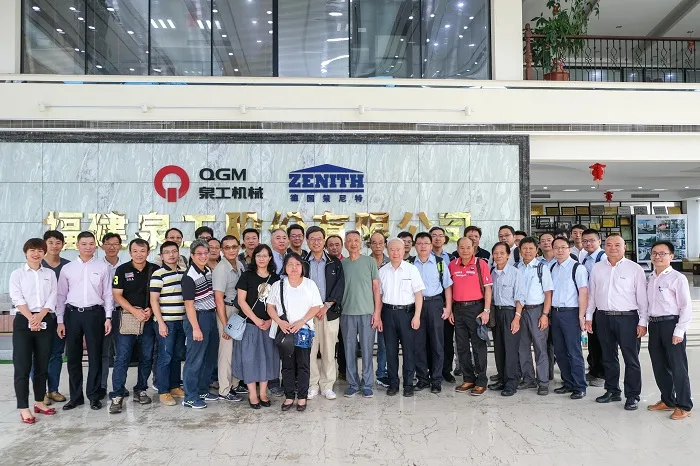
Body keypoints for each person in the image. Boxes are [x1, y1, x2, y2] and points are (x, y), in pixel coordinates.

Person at [585, 233, 647, 411]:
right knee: (608, 357)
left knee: (631, 358)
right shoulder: (597, 268)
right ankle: (612, 390)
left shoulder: (635, 269)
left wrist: (643, 321)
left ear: (624, 247)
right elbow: (592, 296)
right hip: (603, 317)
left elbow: (642, 299)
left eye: (617, 245)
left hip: (627, 318)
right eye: (609, 244)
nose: (613, 248)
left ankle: (633, 395)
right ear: (604, 246)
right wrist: (589, 317)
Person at [56, 231, 114, 411]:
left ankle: (94, 396)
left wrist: (108, 317)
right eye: (84, 244)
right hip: (72, 314)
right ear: (77, 245)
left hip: (95, 314)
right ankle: (76, 397)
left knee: (95, 356)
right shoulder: (68, 268)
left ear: (95, 246)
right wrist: (60, 320)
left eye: (91, 244)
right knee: (73, 357)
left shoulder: (102, 267)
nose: (88, 247)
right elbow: (60, 295)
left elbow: (107, 294)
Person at [10, 238, 58, 424]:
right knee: (22, 366)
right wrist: (31, 318)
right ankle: (24, 407)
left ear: (44, 253)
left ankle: (39, 402)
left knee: (42, 365)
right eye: (32, 250)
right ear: (25, 252)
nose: (36, 253)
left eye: (39, 250)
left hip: (44, 320)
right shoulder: (18, 274)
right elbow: (17, 297)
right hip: (24, 321)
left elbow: (53, 296)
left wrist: (40, 316)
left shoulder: (50, 274)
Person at [268, 253, 324, 412]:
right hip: (285, 331)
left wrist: (302, 321)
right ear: (285, 267)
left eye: (297, 264)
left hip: (304, 331)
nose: (294, 268)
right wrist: (279, 321)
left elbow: (316, 306)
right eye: (290, 264)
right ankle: (289, 396)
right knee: (287, 366)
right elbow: (270, 307)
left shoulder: (309, 284)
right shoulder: (278, 285)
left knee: (303, 365)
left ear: (302, 267)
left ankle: (302, 397)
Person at [109, 239, 159, 414]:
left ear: (148, 251)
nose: (139, 254)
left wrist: (151, 310)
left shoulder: (155, 270)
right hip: (127, 320)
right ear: (130, 252)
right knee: (122, 357)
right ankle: (117, 395)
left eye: (142, 251)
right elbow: (117, 295)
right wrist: (134, 311)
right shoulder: (122, 270)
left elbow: (161, 294)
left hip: (148, 320)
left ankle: (141, 389)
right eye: (135, 251)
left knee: (146, 357)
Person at [645, 241, 693, 420]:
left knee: (677, 367)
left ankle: (684, 405)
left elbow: (685, 307)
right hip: (655, 325)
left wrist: (679, 330)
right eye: (654, 253)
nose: (657, 256)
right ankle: (668, 400)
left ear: (671, 257)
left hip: (671, 324)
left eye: (662, 253)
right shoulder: (651, 277)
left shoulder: (677, 278)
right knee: (659, 365)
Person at [234, 244, 280, 409]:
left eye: (265, 255)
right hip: (250, 325)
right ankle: (252, 394)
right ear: (254, 258)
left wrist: (269, 321)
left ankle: (263, 393)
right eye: (258, 255)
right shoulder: (247, 276)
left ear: (270, 258)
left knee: (267, 358)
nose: (262, 258)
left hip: (269, 325)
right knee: (250, 359)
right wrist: (256, 319)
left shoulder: (275, 278)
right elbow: (241, 301)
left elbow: (277, 304)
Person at [377, 239, 425, 397]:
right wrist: (378, 316)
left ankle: (409, 383)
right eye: (392, 249)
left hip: (407, 314)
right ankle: (393, 383)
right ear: (387, 250)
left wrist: (417, 316)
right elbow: (379, 296)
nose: (395, 253)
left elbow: (419, 294)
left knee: (409, 351)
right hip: (388, 313)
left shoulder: (412, 269)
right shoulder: (382, 271)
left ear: (404, 250)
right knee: (390, 350)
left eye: (398, 249)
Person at [304, 226, 345, 401]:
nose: (316, 242)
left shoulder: (334, 262)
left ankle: (327, 385)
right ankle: (312, 385)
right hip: (307, 315)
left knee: (329, 351)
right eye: (312, 239)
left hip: (329, 313)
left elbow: (340, 286)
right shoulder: (302, 262)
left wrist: (326, 306)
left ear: (324, 240)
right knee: (310, 351)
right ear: (307, 241)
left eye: (319, 238)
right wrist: (311, 309)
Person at [341, 230, 382, 398]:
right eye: (349, 240)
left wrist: (377, 312)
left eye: (356, 240)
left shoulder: (370, 261)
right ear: (345, 244)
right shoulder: (341, 264)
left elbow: (376, 288)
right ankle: (352, 383)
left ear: (360, 243)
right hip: (346, 313)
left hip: (367, 313)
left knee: (367, 350)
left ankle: (367, 384)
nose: (353, 243)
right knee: (349, 350)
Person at [449, 236, 492, 396]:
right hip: (458, 310)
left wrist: (486, 310)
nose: (465, 251)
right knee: (461, 347)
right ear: (457, 248)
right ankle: (468, 379)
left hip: (477, 309)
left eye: (468, 247)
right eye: (462, 247)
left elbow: (488, 289)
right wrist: (451, 309)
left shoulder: (481, 264)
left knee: (478, 346)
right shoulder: (452, 265)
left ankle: (481, 381)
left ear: (474, 248)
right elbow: (449, 289)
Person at [410, 232, 452, 394]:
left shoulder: (440, 263)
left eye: (426, 243)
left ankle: (436, 379)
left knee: (437, 343)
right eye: (419, 243)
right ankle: (422, 378)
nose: (423, 246)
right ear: (415, 246)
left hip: (435, 304)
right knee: (418, 344)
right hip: (416, 307)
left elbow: (448, 286)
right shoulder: (410, 264)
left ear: (430, 245)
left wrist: (448, 308)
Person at [549, 237, 589, 400]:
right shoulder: (552, 267)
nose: (559, 250)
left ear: (569, 248)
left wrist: (581, 315)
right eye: (556, 247)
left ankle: (580, 386)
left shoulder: (577, 268)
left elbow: (584, 292)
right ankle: (568, 383)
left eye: (563, 247)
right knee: (560, 351)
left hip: (571, 313)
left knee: (574, 351)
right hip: (555, 313)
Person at [180, 239, 219, 409]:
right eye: (199, 254)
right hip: (197, 318)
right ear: (192, 255)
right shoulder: (189, 277)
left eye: (206, 253)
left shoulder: (207, 270)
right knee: (194, 359)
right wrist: (195, 328)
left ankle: (202, 390)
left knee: (209, 357)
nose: (203, 256)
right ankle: (190, 396)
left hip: (210, 317)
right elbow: (189, 305)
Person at [515, 237, 553, 396]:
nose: (527, 251)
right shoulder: (516, 267)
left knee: (540, 347)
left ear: (536, 250)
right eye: (525, 248)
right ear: (520, 250)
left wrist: (545, 315)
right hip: (520, 311)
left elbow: (548, 293)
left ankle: (543, 382)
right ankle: (528, 378)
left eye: (531, 248)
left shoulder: (541, 268)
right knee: (522, 347)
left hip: (537, 311)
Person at [150, 241, 186, 407]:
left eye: (174, 251)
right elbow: (154, 300)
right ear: (161, 255)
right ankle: (163, 391)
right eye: (167, 252)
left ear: (178, 253)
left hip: (181, 321)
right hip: (166, 323)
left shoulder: (183, 273)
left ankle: (174, 386)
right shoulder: (158, 274)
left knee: (177, 355)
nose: (171, 255)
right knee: (165, 356)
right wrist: (161, 323)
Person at [212, 235, 245, 402]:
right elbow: (218, 299)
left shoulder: (239, 264)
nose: (231, 250)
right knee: (226, 352)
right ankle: (224, 390)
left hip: (238, 311)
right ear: (222, 250)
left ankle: (233, 384)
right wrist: (225, 326)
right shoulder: (221, 269)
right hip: (226, 311)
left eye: (234, 246)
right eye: (227, 247)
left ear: (239, 247)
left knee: (236, 351)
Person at [487, 242, 522, 397]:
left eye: (502, 253)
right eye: (496, 253)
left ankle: (511, 382)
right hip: (496, 313)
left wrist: (517, 318)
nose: (498, 256)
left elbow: (520, 298)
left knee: (511, 350)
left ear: (508, 255)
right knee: (499, 348)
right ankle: (501, 379)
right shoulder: (492, 273)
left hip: (510, 313)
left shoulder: (516, 273)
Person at [42, 230, 71, 406]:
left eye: (58, 242)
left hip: (62, 317)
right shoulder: (38, 265)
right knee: (37, 355)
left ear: (63, 245)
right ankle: (40, 391)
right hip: (41, 316)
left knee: (56, 354)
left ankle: (53, 389)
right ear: (45, 244)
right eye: (50, 242)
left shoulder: (67, 266)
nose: (54, 246)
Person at [579, 229, 607, 387]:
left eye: (591, 240)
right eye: (585, 241)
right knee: (593, 339)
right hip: (590, 303)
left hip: (600, 305)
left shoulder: (603, 257)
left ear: (599, 241)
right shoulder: (585, 257)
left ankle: (602, 374)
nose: (588, 243)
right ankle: (594, 370)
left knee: (601, 340)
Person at [99, 232, 124, 400]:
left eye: (115, 244)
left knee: (122, 352)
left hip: (122, 313)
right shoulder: (97, 266)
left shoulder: (126, 266)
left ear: (121, 246)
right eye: (108, 244)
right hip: (102, 314)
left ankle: (119, 387)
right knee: (103, 352)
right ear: (102, 246)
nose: (112, 247)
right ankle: (101, 387)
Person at [369, 231, 390, 388]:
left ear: (385, 244)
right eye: (374, 242)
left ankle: (382, 373)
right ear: (369, 244)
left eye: (380, 242)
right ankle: (366, 374)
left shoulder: (391, 262)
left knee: (383, 343)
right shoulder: (364, 261)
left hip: (386, 309)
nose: (377, 245)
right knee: (366, 343)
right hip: (367, 307)